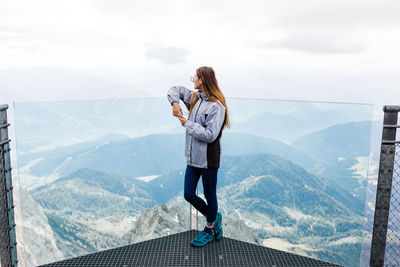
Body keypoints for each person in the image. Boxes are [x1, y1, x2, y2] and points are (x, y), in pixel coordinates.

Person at [167, 66, 230, 247]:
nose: (192, 80)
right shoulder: (195, 98)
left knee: (210, 195)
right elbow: (175, 89)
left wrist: (187, 124)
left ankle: (209, 229)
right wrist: (175, 103)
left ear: (202, 79)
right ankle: (213, 216)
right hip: (193, 157)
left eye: (194, 77)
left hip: (209, 158)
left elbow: (210, 134)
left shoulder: (217, 106)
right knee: (188, 194)